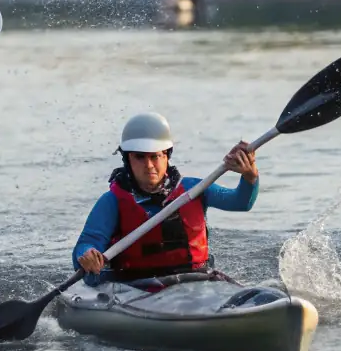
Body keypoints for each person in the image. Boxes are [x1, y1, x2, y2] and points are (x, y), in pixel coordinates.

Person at [73, 111, 258, 280]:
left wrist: (250, 176)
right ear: (127, 159)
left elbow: (241, 202)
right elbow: (86, 244)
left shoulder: (195, 189)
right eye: (140, 157)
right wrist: (88, 255)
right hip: (135, 287)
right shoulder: (112, 202)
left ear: (166, 156)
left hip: (196, 282)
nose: (149, 165)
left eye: (155, 156)